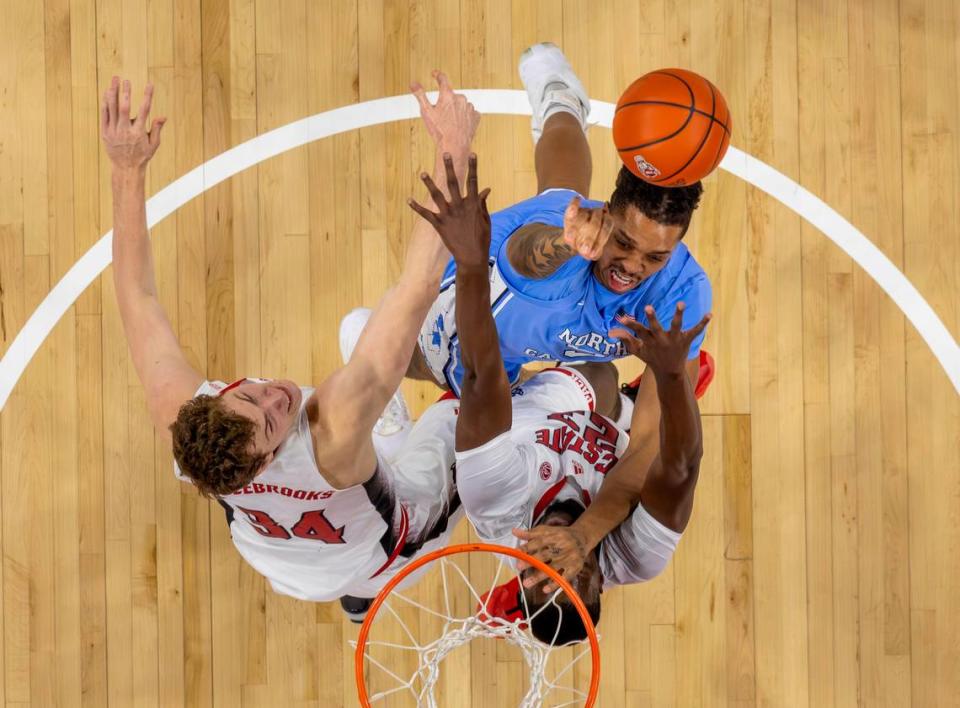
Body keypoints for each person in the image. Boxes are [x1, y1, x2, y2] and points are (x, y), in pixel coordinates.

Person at [101, 71, 478, 620]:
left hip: (279, 560)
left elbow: (136, 294)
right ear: (274, 457)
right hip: (380, 544)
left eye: (250, 396)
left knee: (358, 328)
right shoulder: (332, 431)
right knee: (473, 402)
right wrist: (454, 148)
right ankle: (368, 587)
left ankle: (353, 593)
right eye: (275, 421)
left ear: (214, 396)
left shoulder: (184, 422)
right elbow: (418, 286)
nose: (277, 396)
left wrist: (126, 169)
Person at [407, 43, 713, 551]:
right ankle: (557, 103)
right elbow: (529, 256)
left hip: (569, 331)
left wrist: (585, 534)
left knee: (602, 377)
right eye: (626, 244)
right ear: (609, 215)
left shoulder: (684, 292)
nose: (634, 268)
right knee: (415, 359)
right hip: (492, 308)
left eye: (655, 257)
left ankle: (562, 101)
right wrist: (564, 244)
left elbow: (646, 447)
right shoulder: (561, 244)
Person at [408, 152, 709, 643]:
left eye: (539, 584)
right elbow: (674, 462)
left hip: (499, 411)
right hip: (582, 405)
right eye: (576, 583)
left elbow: (484, 376)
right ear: (600, 587)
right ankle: (559, 100)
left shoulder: (498, 506)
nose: (559, 570)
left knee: (414, 358)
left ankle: (389, 397)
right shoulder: (635, 556)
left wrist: (468, 265)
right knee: (607, 379)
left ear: (520, 579)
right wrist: (673, 378)